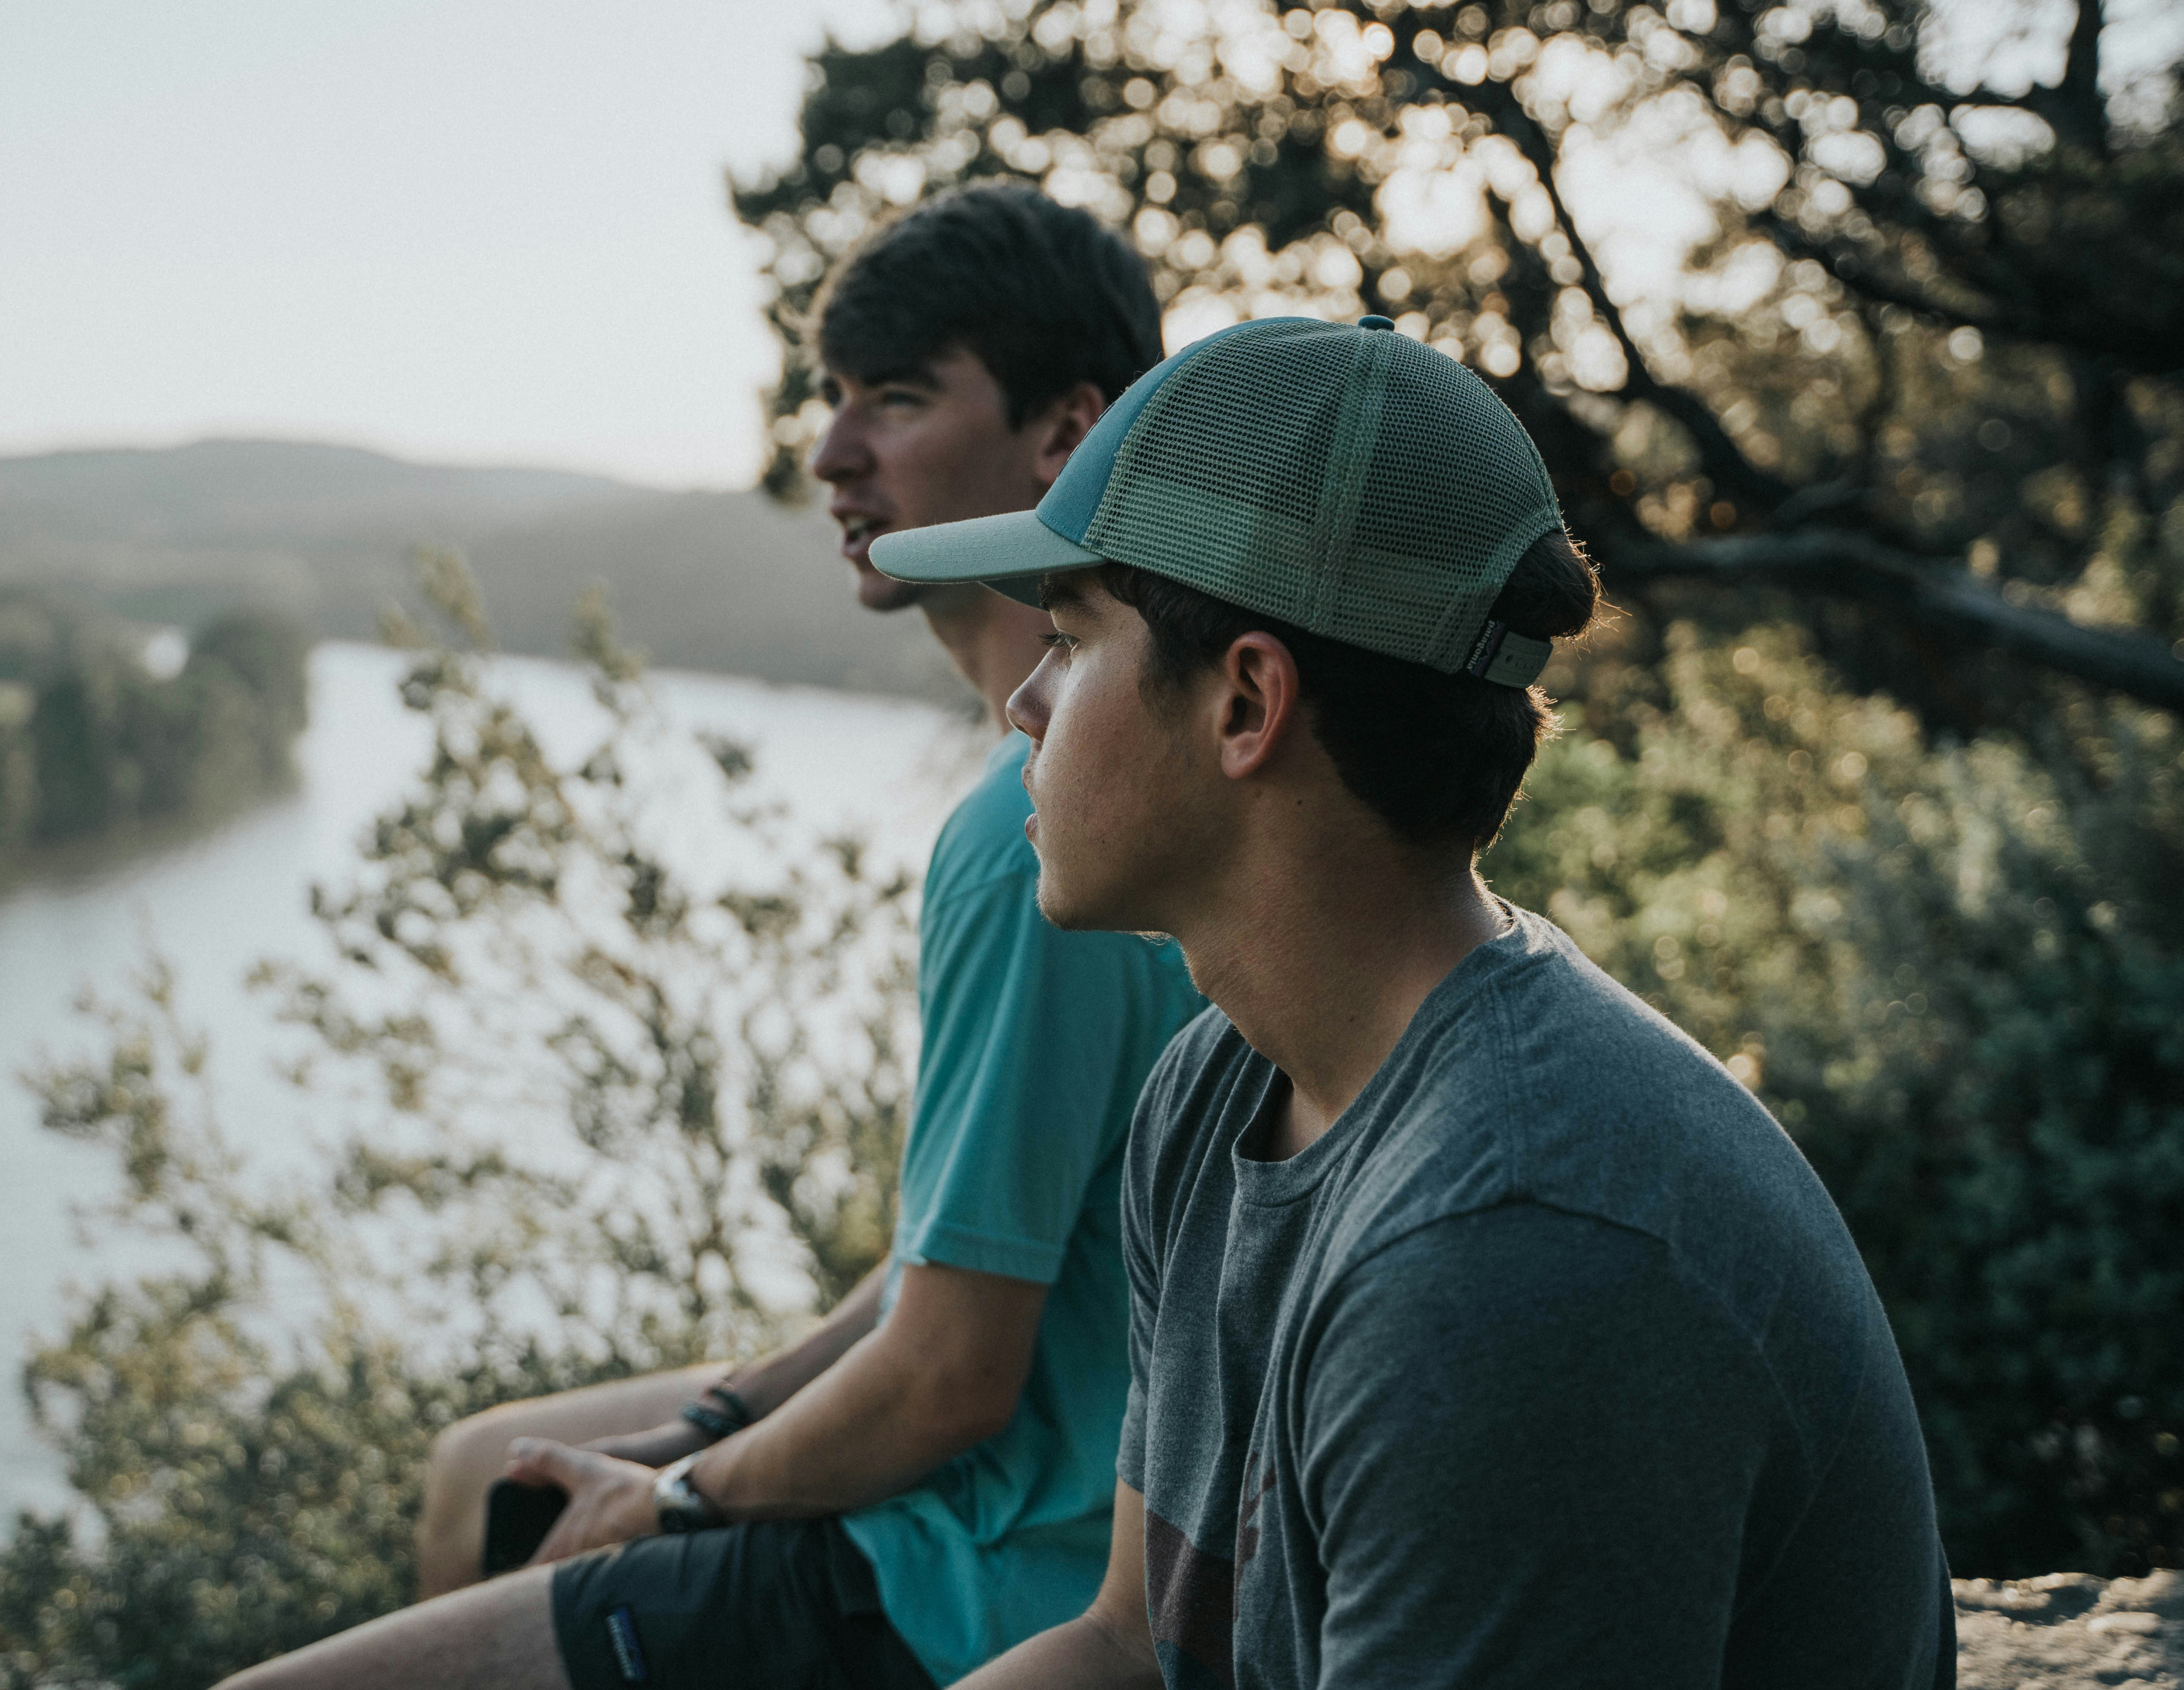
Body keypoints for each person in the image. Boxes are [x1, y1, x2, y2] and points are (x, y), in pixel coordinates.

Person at [868, 313, 1957, 1688]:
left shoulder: (1512, 1257)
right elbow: (1126, 1650)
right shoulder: (1223, 1086)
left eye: (1075, 637)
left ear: (1247, 704)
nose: (1024, 700)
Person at [218, 185, 1206, 1690]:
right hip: (1036, 1509)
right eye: (830, 398)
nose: (830, 454)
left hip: (978, 1574)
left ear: (1067, 431)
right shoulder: (1103, 788)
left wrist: (677, 1492)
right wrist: (718, 1411)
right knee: (482, 1472)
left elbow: (951, 1377)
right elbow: (964, 1258)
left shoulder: (1035, 835)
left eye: (896, 397)